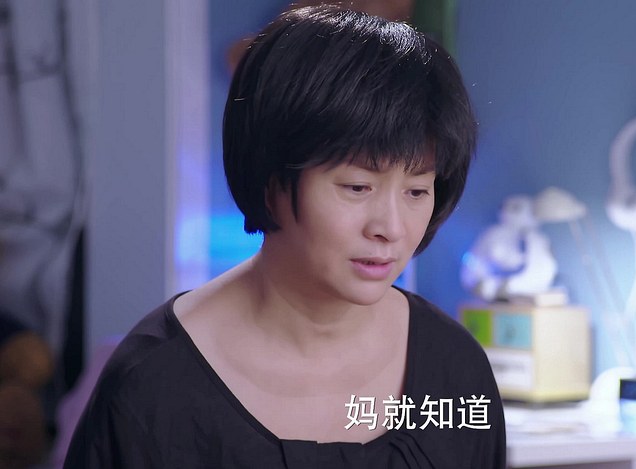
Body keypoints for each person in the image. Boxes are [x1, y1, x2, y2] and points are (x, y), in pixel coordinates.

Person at [64, 5, 505, 468]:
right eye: (357, 187)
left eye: (416, 191)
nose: (391, 228)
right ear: (272, 181)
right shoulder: (155, 385)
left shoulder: (455, 371)